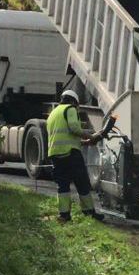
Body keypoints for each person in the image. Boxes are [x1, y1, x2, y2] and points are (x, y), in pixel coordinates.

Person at [46, 90, 101, 222]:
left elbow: (63, 136)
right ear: (73, 101)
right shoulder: (70, 109)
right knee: (82, 182)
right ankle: (89, 212)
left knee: (63, 185)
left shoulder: (53, 113)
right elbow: (74, 129)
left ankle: (64, 215)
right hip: (70, 154)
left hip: (55, 154)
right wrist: (92, 136)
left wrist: (84, 142)